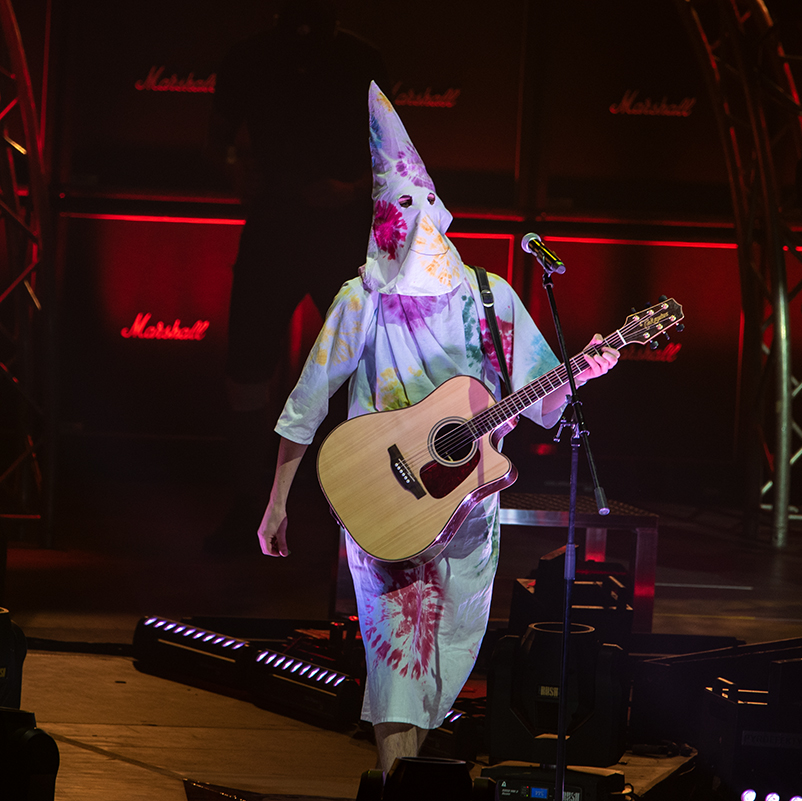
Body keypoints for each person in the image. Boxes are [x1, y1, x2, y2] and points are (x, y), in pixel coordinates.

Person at [256, 84, 619, 772]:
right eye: (398, 205)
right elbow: (307, 402)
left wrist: (587, 370)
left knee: (441, 665)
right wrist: (277, 500)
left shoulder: (490, 297)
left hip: (469, 515)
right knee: (399, 665)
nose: (413, 218)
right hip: (382, 504)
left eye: (421, 201)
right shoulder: (362, 299)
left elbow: (542, 401)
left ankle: (403, 779)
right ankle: (399, 784)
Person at [205, 0, 389, 550]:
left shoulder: (362, 58)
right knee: (246, 370)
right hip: (274, 229)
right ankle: (248, 504)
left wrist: (350, 191)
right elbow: (217, 138)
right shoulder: (249, 56)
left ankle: (362, 509)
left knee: (365, 371)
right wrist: (236, 169)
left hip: (341, 234)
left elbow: (396, 154)